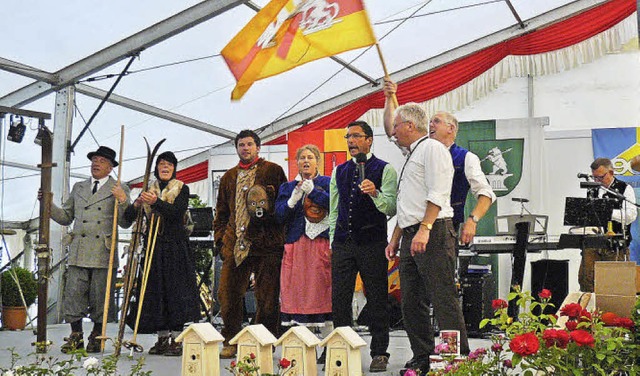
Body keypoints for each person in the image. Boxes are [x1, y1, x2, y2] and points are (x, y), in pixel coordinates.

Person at [384, 103, 469, 374]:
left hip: (433, 231)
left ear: (410, 126)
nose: (393, 132)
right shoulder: (413, 153)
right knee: (410, 301)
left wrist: (425, 227)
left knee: (442, 297)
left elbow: (438, 192)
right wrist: (395, 237)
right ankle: (423, 355)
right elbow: (407, 202)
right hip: (411, 233)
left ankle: (454, 358)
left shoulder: (432, 148)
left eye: (397, 126)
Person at [383, 79, 496, 243]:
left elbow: (485, 193)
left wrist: (473, 220)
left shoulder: (466, 158)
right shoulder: (419, 150)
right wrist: (388, 98)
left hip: (442, 227)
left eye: (436, 121)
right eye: (429, 122)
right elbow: (391, 131)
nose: (430, 125)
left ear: (451, 128)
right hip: (416, 226)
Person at [45, 146, 131, 353]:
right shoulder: (79, 187)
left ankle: (96, 335)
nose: (96, 163)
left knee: (100, 296)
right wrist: (48, 204)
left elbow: (126, 223)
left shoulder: (119, 187)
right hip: (79, 249)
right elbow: (66, 216)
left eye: (101, 161)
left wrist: (123, 200)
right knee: (73, 294)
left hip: (103, 251)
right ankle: (76, 335)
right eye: (94, 160)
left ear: (110, 167)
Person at [328, 121, 397, 373]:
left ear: (369, 140)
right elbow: (335, 209)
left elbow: (391, 208)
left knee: (377, 298)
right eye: (348, 137)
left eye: (356, 136)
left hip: (372, 243)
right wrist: (333, 242)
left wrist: (376, 193)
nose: (351, 141)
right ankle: (341, 347)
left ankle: (380, 352)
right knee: (340, 299)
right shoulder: (339, 172)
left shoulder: (385, 169)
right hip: (343, 244)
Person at [214, 129, 287, 358]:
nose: (245, 148)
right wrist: (220, 240)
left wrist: (276, 235)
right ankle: (231, 340)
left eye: (249, 144)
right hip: (235, 243)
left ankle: (263, 342)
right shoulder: (228, 177)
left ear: (258, 147)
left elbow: (282, 206)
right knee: (227, 294)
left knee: (267, 297)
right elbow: (222, 212)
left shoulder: (273, 171)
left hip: (267, 244)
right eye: (241, 145)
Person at [122, 151, 201, 356]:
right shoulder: (148, 189)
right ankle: (162, 337)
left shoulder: (182, 188)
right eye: (161, 164)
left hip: (175, 246)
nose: (165, 168)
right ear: (156, 168)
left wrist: (156, 202)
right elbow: (128, 217)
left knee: (175, 291)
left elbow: (176, 214)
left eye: (169, 165)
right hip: (153, 247)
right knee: (156, 291)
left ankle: (177, 338)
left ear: (174, 168)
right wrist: (137, 204)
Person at [275, 144, 333, 355]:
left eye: (310, 157)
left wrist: (314, 193)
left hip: (320, 244)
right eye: (302, 158)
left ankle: (329, 345)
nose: (306, 161)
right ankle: (301, 347)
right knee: (296, 292)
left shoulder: (328, 183)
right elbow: (279, 216)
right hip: (296, 244)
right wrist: (292, 201)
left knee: (323, 290)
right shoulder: (288, 187)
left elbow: (335, 206)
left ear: (318, 161)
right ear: (296, 163)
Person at [578, 157, 637, 292]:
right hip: (593, 243)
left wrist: (607, 212)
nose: (597, 181)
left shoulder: (624, 189)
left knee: (614, 285)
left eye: (600, 177)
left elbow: (631, 216)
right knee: (586, 280)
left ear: (611, 173)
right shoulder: (593, 190)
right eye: (594, 178)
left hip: (615, 245)